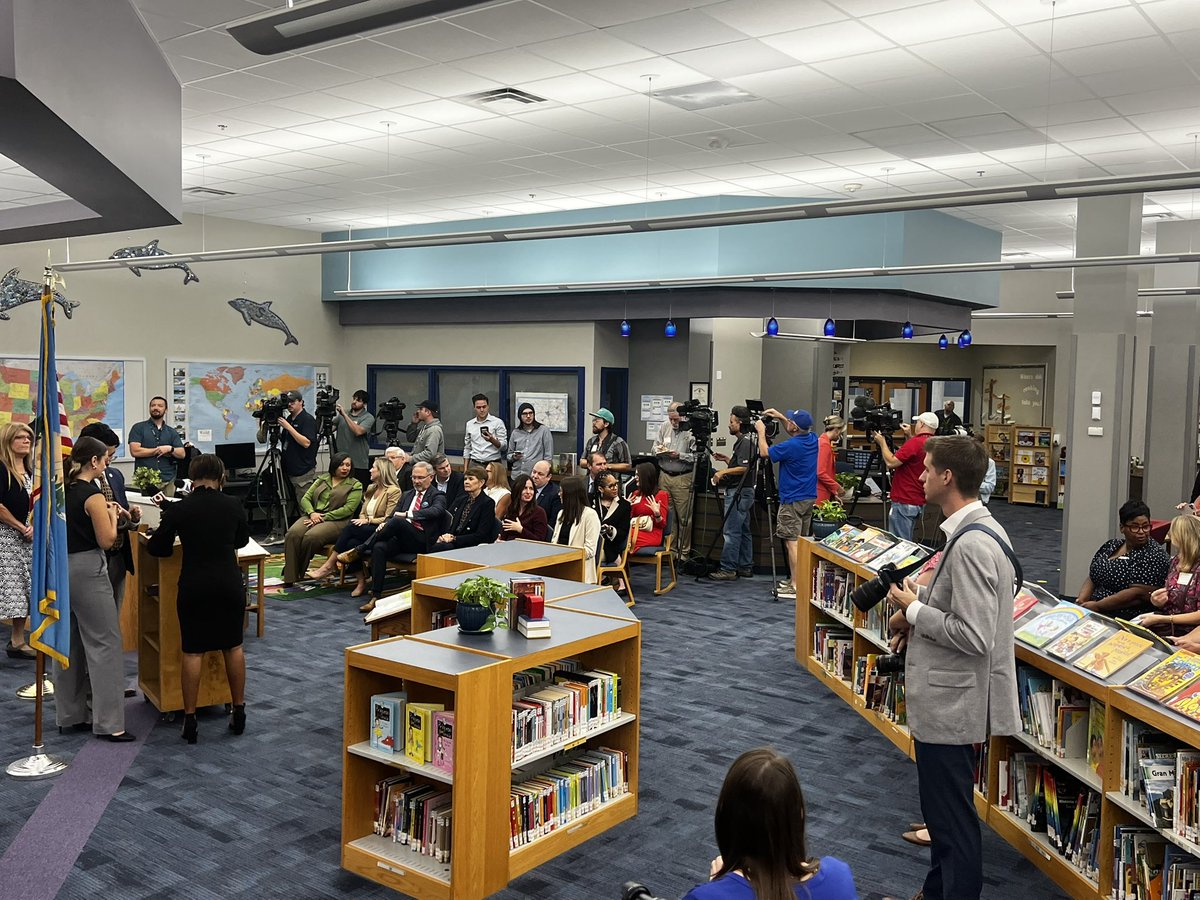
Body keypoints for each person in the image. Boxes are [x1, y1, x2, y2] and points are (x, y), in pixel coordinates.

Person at [885, 435, 1020, 900]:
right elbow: (963, 603)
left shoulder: (972, 544)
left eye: (926, 469)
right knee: (943, 816)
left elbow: (975, 634)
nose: (920, 476)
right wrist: (920, 598)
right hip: (952, 699)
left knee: (952, 820)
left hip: (953, 703)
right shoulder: (975, 531)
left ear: (947, 477)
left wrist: (916, 611)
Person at [147, 453, 251, 744]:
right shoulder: (233, 504)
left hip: (194, 585)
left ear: (192, 477)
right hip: (228, 583)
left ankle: (190, 719)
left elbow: (158, 548)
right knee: (233, 646)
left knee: (193, 651)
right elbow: (242, 540)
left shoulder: (182, 508)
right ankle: (239, 710)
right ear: (221, 476)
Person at [683, 747, 857, 900]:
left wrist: (718, 887)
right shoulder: (839, 877)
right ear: (799, 815)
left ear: (726, 821)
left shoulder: (703, 897)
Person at [57, 436, 130, 741]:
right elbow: (107, 540)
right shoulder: (93, 495)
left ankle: (70, 715)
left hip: (61, 568)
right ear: (94, 462)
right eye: (105, 459)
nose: (107, 463)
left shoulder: (62, 490)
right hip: (88, 568)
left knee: (70, 642)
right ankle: (111, 724)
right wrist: (112, 515)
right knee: (105, 643)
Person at [344, 461, 447, 614]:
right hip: (401, 539)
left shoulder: (437, 495)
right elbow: (392, 516)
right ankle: (376, 596)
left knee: (399, 521)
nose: (416, 481)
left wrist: (408, 515)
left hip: (422, 540)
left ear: (431, 477)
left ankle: (362, 548)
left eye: (420, 478)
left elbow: (436, 511)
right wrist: (384, 524)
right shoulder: (407, 495)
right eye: (414, 477)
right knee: (380, 546)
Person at [309, 457, 401, 597]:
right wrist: (363, 519)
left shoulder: (394, 491)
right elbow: (362, 512)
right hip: (367, 528)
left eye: (373, 467)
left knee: (350, 528)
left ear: (382, 471)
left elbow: (389, 518)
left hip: (382, 530)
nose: (370, 470)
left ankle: (329, 565)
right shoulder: (371, 488)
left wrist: (367, 521)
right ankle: (361, 581)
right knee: (351, 543)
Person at [755, 408, 818, 595]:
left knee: (792, 543)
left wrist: (760, 431)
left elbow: (764, 452)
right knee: (801, 541)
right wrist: (782, 417)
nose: (788, 422)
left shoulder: (791, 446)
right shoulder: (812, 439)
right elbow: (795, 431)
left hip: (792, 499)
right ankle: (797, 580)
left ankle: (796, 585)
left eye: (790, 421)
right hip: (808, 497)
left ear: (795, 427)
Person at [79, 423, 140, 606]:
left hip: (118, 557)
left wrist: (132, 518)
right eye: (106, 456)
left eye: (112, 455)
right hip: (92, 558)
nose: (108, 461)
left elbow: (123, 513)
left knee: (114, 609)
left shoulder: (116, 475)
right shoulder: (75, 483)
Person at [280, 452, 363, 586]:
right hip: (313, 515)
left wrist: (323, 517)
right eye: (341, 465)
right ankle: (290, 576)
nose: (345, 468)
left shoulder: (355, 485)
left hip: (337, 520)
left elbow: (348, 509)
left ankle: (295, 572)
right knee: (292, 534)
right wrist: (312, 513)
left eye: (348, 465)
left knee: (311, 537)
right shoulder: (323, 479)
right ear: (334, 465)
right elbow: (305, 498)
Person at [1075, 499, 1169, 617]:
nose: (1141, 532)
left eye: (1145, 527)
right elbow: (1093, 574)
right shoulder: (1111, 545)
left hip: (1123, 615)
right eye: (1134, 527)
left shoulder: (1154, 555)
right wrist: (1081, 601)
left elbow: (1137, 594)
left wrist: (1097, 606)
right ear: (1122, 527)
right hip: (1092, 609)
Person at [709, 407, 758, 581]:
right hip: (745, 491)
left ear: (740, 423)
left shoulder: (745, 442)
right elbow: (743, 466)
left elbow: (744, 468)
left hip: (739, 492)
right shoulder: (745, 442)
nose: (729, 425)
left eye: (732, 422)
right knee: (743, 530)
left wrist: (723, 472)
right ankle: (745, 566)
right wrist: (727, 460)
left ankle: (728, 568)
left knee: (731, 532)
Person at [874, 411, 938, 541]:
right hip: (918, 499)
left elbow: (891, 462)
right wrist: (909, 436)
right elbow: (915, 457)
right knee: (907, 540)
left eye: (917, 422)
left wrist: (882, 442)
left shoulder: (915, 443)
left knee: (900, 543)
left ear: (922, 424)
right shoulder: (933, 444)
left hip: (905, 499)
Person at [0, 423, 35, 658]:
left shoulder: (31, 471)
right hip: (7, 538)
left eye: (28, 437)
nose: (26, 441)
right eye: (20, 437)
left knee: (24, 589)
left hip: (29, 539)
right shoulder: (2, 469)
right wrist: (21, 527)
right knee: (10, 589)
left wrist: (32, 528)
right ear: (8, 441)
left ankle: (17, 639)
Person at [256, 390, 318, 517]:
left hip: (302, 471)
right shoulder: (289, 418)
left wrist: (288, 427)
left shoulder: (307, 419)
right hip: (288, 470)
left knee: (304, 507)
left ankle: (307, 528)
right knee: (288, 503)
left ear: (301, 402)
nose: (290, 404)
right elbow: (286, 440)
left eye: (293, 402)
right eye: (288, 402)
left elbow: (306, 443)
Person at [1139, 515, 1200, 637]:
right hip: (1169, 626)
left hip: (1190, 633)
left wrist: (1163, 619)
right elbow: (1171, 595)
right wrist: (1157, 601)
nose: (1169, 536)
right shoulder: (1176, 561)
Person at [654, 402, 698, 559]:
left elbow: (698, 457)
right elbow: (654, 447)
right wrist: (660, 451)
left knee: (684, 518)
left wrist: (680, 455)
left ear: (683, 416)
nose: (673, 422)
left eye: (676, 419)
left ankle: (683, 553)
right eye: (670, 419)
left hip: (682, 478)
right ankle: (670, 552)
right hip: (664, 476)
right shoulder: (664, 426)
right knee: (668, 516)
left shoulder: (691, 430)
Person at [128, 395, 186, 496]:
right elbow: (135, 451)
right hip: (147, 480)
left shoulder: (171, 432)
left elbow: (182, 454)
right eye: (153, 405)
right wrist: (158, 450)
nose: (156, 408)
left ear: (166, 410)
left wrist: (170, 449)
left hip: (168, 478)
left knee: (169, 505)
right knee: (149, 506)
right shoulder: (138, 428)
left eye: (160, 406)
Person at [551, 475, 601, 583]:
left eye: (561, 491)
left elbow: (590, 550)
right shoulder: (561, 514)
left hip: (580, 570)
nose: (559, 494)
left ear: (570, 494)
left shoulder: (590, 515)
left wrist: (568, 557)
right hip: (559, 566)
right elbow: (554, 541)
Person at [435, 466, 497, 550]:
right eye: (465, 479)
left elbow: (482, 534)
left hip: (470, 544)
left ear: (481, 483)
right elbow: (451, 522)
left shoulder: (487, 503)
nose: (466, 482)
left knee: (440, 548)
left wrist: (454, 538)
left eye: (471, 479)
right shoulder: (462, 499)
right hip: (454, 540)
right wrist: (445, 536)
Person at [335, 389, 375, 485]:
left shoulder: (368, 417)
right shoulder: (344, 414)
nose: (354, 402)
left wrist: (345, 415)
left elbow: (358, 431)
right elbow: (330, 428)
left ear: (364, 404)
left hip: (358, 462)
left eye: (358, 400)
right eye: (354, 399)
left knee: (356, 489)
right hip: (340, 461)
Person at [629, 461, 670, 554]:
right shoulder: (635, 494)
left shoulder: (661, 495)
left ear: (645, 476)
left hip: (651, 533)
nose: (635, 478)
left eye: (638, 475)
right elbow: (630, 518)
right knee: (620, 534)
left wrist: (657, 514)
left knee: (624, 537)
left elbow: (662, 525)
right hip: (635, 528)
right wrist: (626, 507)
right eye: (635, 475)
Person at [508, 402, 553, 478]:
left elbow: (548, 457)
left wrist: (543, 474)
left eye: (530, 413)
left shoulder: (543, 430)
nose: (528, 416)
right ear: (520, 416)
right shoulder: (515, 432)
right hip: (517, 475)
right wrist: (514, 457)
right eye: (525, 414)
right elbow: (508, 455)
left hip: (535, 476)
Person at [582, 408, 631, 478]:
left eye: (597, 420)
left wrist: (606, 466)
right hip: (592, 481)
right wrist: (594, 464)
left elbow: (627, 466)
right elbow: (582, 461)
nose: (593, 423)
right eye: (594, 420)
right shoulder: (591, 441)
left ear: (606, 424)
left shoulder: (618, 442)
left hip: (609, 482)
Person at [501, 473, 549, 543]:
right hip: (509, 546)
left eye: (531, 489)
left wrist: (521, 530)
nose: (528, 492)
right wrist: (500, 541)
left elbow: (540, 540)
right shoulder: (511, 509)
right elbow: (504, 534)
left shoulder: (539, 512)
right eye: (525, 488)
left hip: (529, 548)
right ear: (517, 489)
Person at [463, 393, 507, 468]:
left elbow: (504, 447)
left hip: (494, 463)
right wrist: (465, 469)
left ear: (488, 406)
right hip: (475, 463)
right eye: (478, 407)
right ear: (474, 408)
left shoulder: (497, 422)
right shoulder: (469, 424)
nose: (482, 410)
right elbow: (467, 448)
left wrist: (492, 440)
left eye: (484, 407)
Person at [816, 415, 844, 503]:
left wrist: (833, 493)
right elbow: (820, 472)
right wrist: (837, 487)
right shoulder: (824, 444)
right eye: (841, 432)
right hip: (820, 494)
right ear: (836, 430)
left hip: (823, 492)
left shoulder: (823, 442)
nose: (841, 435)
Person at [409, 399, 444, 464]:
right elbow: (411, 438)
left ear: (427, 412)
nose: (418, 411)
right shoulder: (425, 427)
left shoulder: (434, 430)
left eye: (421, 409)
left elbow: (429, 454)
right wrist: (414, 424)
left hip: (427, 468)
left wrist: (410, 458)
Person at [531, 459, 561, 528]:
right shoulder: (524, 488)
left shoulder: (555, 494)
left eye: (540, 474)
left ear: (549, 477)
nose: (535, 476)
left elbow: (552, 523)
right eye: (534, 472)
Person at [974, 434, 996, 505]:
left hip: (980, 501)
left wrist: (971, 484)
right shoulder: (963, 460)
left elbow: (990, 487)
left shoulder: (989, 462)